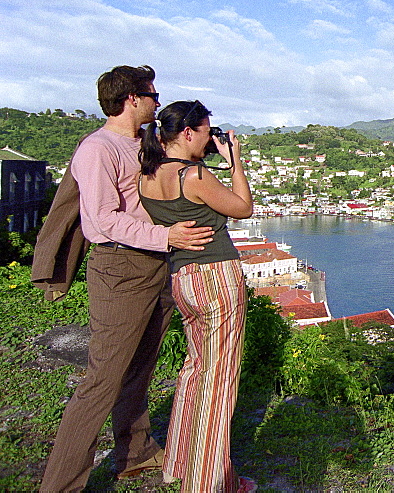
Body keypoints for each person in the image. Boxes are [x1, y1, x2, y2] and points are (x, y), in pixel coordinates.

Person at [40, 66, 214, 493]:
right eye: (153, 95)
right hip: (120, 268)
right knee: (102, 379)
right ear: (132, 99)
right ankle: (60, 485)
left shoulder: (145, 143)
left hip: (158, 263)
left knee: (141, 367)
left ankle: (134, 453)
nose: (158, 102)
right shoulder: (97, 149)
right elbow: (100, 221)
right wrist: (165, 234)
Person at [138, 100, 255, 493]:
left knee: (194, 371)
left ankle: (179, 463)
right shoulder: (194, 175)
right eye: (206, 132)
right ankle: (210, 481)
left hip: (182, 278)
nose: (209, 139)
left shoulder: (147, 175)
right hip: (216, 276)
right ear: (187, 133)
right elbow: (243, 208)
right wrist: (235, 162)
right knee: (219, 380)